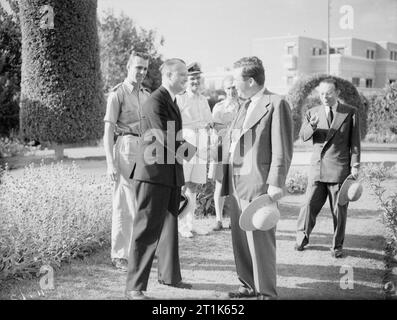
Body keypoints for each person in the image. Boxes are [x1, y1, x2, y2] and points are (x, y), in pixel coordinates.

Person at [218, 56, 293, 299]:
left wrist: (275, 183)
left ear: (250, 80)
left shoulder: (276, 103)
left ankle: (266, 293)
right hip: (236, 181)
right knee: (240, 239)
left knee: (260, 241)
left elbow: (282, 148)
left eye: (236, 79)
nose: (232, 84)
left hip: (259, 183)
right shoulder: (243, 104)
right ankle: (248, 285)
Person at [125, 58, 193, 300]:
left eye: (187, 74)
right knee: (145, 230)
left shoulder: (170, 100)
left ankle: (170, 277)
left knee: (169, 227)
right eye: (182, 74)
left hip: (168, 174)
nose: (186, 78)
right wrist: (196, 152)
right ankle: (135, 287)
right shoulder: (156, 100)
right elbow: (164, 137)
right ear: (168, 76)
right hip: (152, 175)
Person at [294, 77, 361, 258]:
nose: (324, 97)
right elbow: (303, 136)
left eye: (328, 93)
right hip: (318, 168)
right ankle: (301, 239)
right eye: (321, 93)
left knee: (339, 210)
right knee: (308, 205)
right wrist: (312, 125)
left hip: (339, 169)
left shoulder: (350, 112)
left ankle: (337, 246)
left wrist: (355, 166)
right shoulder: (312, 112)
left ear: (337, 93)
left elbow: (354, 143)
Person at [103, 51, 150, 272]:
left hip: (145, 149)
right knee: (123, 201)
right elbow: (108, 131)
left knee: (141, 201)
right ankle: (120, 255)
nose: (141, 72)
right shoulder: (117, 94)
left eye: (145, 69)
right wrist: (110, 163)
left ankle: (138, 251)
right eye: (138, 67)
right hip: (125, 147)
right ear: (128, 67)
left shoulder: (147, 95)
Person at [176, 62, 213, 238]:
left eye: (198, 77)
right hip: (186, 143)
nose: (195, 81)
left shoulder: (204, 100)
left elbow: (208, 122)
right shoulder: (180, 98)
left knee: (194, 186)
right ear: (186, 79)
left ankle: (191, 224)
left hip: (201, 143)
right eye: (192, 78)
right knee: (182, 185)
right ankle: (180, 225)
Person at [209, 75, 240, 231]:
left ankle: (235, 219)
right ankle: (219, 219)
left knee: (236, 186)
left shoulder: (245, 105)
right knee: (220, 185)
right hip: (222, 149)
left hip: (240, 149)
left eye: (234, 87)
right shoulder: (219, 107)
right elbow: (215, 129)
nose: (231, 90)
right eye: (228, 87)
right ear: (224, 89)